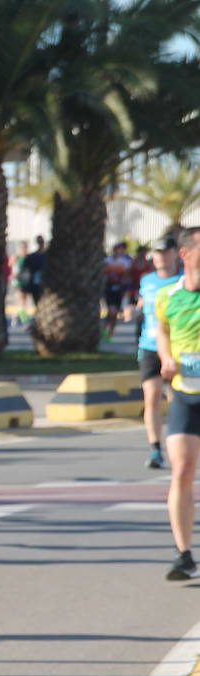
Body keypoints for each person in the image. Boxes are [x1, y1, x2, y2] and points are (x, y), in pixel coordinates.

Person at [153, 227, 200, 579]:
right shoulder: (168, 295)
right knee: (181, 471)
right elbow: (162, 331)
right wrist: (166, 357)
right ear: (185, 254)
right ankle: (183, 554)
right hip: (185, 392)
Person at [138, 235, 181, 470]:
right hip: (149, 346)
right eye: (156, 252)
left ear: (175, 253)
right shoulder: (146, 281)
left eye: (164, 251)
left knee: (177, 399)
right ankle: (155, 449)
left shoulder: (184, 281)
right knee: (151, 396)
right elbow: (143, 305)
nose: (160, 256)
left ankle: (178, 445)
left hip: (176, 348)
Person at [104, 241, 132, 344]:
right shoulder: (108, 260)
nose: (120, 251)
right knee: (112, 310)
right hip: (109, 288)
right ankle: (105, 327)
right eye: (118, 248)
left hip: (120, 289)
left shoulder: (126, 260)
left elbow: (127, 274)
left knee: (115, 313)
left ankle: (111, 333)